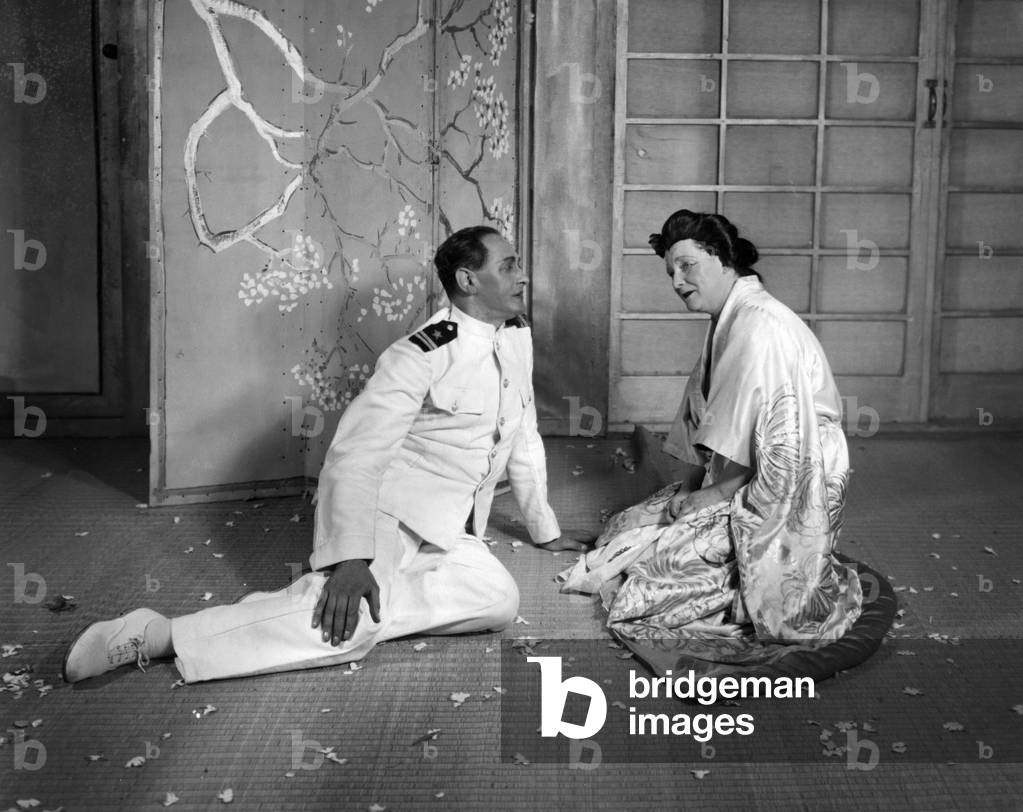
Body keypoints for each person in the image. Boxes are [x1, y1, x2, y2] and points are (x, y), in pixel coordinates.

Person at [64, 225, 591, 684]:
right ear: (469, 282)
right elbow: (355, 455)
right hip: (387, 510)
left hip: (449, 526)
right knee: (350, 624)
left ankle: (317, 610)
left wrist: (544, 529)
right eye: (510, 264)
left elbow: (523, 435)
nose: (523, 274)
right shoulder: (420, 354)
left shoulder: (515, 338)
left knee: (499, 601)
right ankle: (160, 634)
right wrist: (353, 558)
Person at [558, 209, 863, 674]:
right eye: (670, 272)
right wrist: (693, 484)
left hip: (794, 469)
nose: (677, 281)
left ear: (721, 259)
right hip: (745, 463)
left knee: (659, 572)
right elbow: (718, 417)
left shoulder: (759, 324)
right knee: (629, 526)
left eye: (687, 265)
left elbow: (775, 431)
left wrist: (717, 493)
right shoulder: (733, 315)